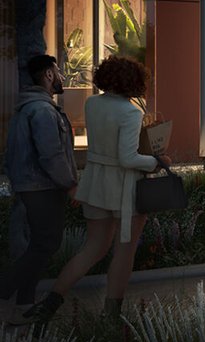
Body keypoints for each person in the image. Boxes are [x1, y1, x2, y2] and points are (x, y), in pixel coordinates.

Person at [18, 55, 168, 326]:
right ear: (134, 81)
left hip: (96, 184)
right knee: (124, 253)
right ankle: (111, 316)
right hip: (125, 188)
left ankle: (50, 304)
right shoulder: (131, 111)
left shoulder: (92, 104)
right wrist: (157, 162)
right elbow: (127, 158)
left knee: (92, 249)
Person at [1, 55, 78, 324]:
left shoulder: (29, 108)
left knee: (39, 245)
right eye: (57, 71)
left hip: (32, 186)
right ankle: (6, 293)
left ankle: (24, 304)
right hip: (42, 187)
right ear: (47, 75)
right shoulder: (42, 111)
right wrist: (69, 184)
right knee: (46, 243)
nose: (61, 77)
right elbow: (51, 155)